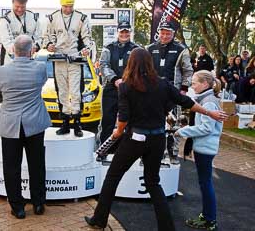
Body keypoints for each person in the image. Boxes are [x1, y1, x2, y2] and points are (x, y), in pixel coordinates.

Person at [84, 48, 227, 230]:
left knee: (112, 177)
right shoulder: (162, 84)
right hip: (157, 139)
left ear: (131, 63)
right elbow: (185, 102)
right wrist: (209, 112)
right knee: (153, 182)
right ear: (150, 63)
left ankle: (99, 219)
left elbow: (123, 118)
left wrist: (117, 133)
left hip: (135, 139)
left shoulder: (126, 86)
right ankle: (167, 228)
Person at [0, 35, 51, 219]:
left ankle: (17, 207)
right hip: (34, 124)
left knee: (11, 167)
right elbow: (41, 85)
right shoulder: (40, 68)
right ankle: (39, 203)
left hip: (11, 125)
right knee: (37, 165)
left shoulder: (1, 72)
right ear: (31, 50)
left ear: (13, 50)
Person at [175, 70, 222, 231]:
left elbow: (207, 128)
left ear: (205, 84)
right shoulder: (207, 99)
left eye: (195, 82)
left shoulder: (208, 102)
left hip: (205, 148)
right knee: (205, 182)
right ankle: (208, 215)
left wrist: (183, 131)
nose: (192, 85)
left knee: (205, 183)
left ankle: (210, 219)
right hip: (204, 147)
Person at [43, 0, 93, 137]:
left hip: (75, 58)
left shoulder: (81, 18)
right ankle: (65, 121)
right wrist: (49, 45)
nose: (68, 9)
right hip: (59, 58)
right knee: (62, 91)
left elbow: (87, 38)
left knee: (76, 91)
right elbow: (46, 37)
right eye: (65, 6)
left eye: (70, 6)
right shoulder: (52, 18)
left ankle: (77, 122)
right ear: (61, 4)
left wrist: (86, 49)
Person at [147, 21, 194, 164]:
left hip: (173, 93)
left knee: (173, 124)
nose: (165, 36)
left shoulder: (181, 49)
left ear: (173, 34)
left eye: (168, 33)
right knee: (153, 123)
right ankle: (155, 153)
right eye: (162, 33)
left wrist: (184, 89)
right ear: (158, 33)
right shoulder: (149, 48)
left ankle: (173, 153)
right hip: (153, 93)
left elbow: (188, 71)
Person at [96, 21, 139, 160]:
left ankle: (128, 152)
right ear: (118, 32)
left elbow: (137, 66)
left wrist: (126, 80)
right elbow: (103, 65)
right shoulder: (108, 47)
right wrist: (115, 79)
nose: (124, 34)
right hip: (111, 87)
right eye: (122, 32)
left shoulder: (136, 48)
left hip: (129, 88)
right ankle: (103, 150)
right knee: (107, 120)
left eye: (127, 32)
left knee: (130, 121)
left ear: (130, 32)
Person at [0, 0, 41, 65]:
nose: (20, 9)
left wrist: (35, 47)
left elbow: (39, 38)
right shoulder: (5, 20)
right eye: (17, 6)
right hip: (10, 63)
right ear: (12, 3)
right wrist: (20, 53)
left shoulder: (34, 18)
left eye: (22, 7)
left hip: (29, 62)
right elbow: (7, 42)